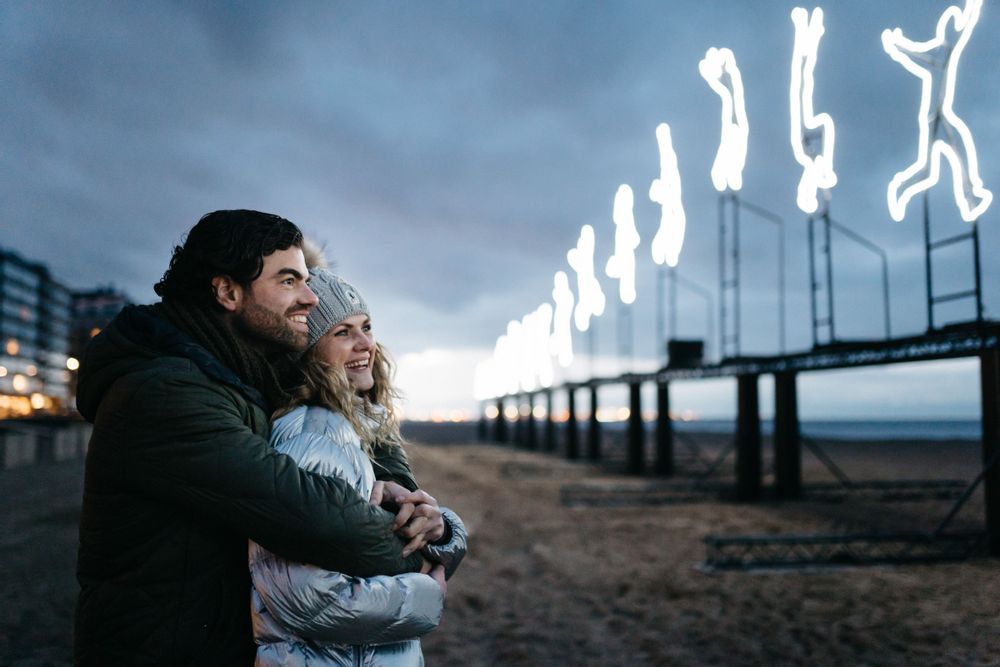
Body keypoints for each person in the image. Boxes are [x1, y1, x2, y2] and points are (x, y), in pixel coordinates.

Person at [74, 211, 442, 665]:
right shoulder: (164, 392)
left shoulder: (243, 367)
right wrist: (423, 553)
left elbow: (356, 414)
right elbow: (311, 514)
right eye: (289, 281)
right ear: (227, 291)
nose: (309, 298)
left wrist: (424, 509)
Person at [249, 266, 467, 665]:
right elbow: (307, 598)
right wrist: (425, 593)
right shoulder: (316, 433)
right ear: (307, 349)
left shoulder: (353, 427)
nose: (366, 343)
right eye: (342, 333)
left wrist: (442, 529)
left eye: (366, 327)